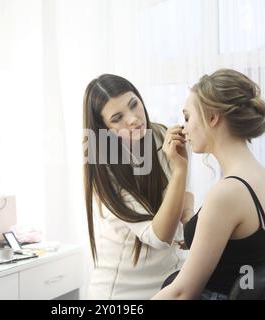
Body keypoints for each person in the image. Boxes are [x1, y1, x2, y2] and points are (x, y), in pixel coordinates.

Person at [152, 69, 265, 300]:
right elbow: (238, 251)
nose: (183, 128)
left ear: (213, 117)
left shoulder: (228, 192)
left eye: (187, 117)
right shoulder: (262, 179)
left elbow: (183, 293)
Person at [83, 74, 194, 299]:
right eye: (117, 118)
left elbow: (183, 194)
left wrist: (189, 226)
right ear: (103, 129)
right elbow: (159, 237)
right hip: (124, 291)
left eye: (134, 104)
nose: (133, 119)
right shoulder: (106, 171)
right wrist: (180, 170)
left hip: (169, 280)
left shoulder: (163, 135)